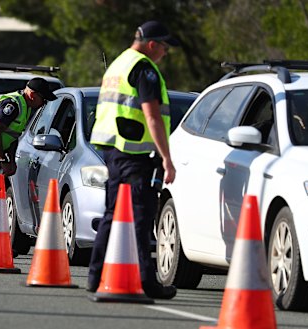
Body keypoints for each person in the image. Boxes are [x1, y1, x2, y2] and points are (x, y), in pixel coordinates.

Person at [87, 21, 179, 299]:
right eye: (164, 47)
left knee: (113, 213)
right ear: (152, 44)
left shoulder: (119, 64)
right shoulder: (144, 68)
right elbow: (152, 116)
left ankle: (95, 275)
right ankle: (146, 281)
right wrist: (167, 158)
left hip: (114, 150)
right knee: (141, 216)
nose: (165, 52)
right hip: (135, 154)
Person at [0, 77, 57, 248]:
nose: (43, 103)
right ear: (32, 95)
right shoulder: (13, 105)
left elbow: (13, 137)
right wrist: (3, 160)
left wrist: (11, 161)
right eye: (42, 99)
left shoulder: (27, 108)